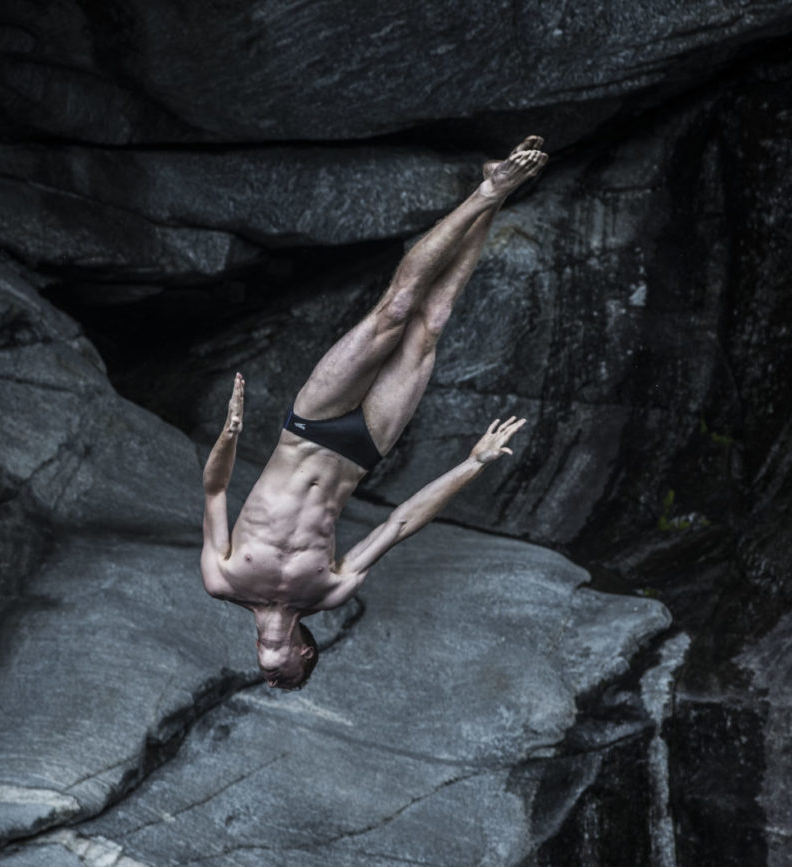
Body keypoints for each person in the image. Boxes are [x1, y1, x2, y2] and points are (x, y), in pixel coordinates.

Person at [200, 136, 547, 689]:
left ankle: (489, 188)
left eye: (275, 681)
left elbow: (215, 491)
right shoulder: (329, 591)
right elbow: (399, 523)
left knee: (395, 310)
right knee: (431, 323)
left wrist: (231, 435)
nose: (273, 680)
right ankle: (496, 197)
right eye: (285, 680)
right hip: (364, 448)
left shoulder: (221, 580)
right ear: (304, 656)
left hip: (308, 427)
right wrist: (472, 464)